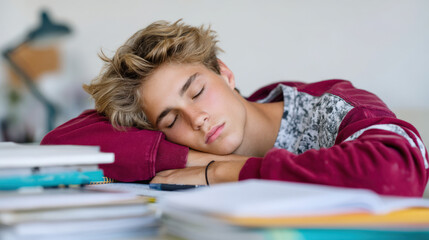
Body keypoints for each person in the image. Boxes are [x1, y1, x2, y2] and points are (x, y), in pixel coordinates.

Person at [41, 20, 428, 196]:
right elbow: (58, 144)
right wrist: (191, 162)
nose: (196, 119)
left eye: (196, 92)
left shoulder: (333, 105)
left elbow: (397, 171)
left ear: (224, 73)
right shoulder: (187, 149)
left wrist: (228, 172)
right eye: (171, 118)